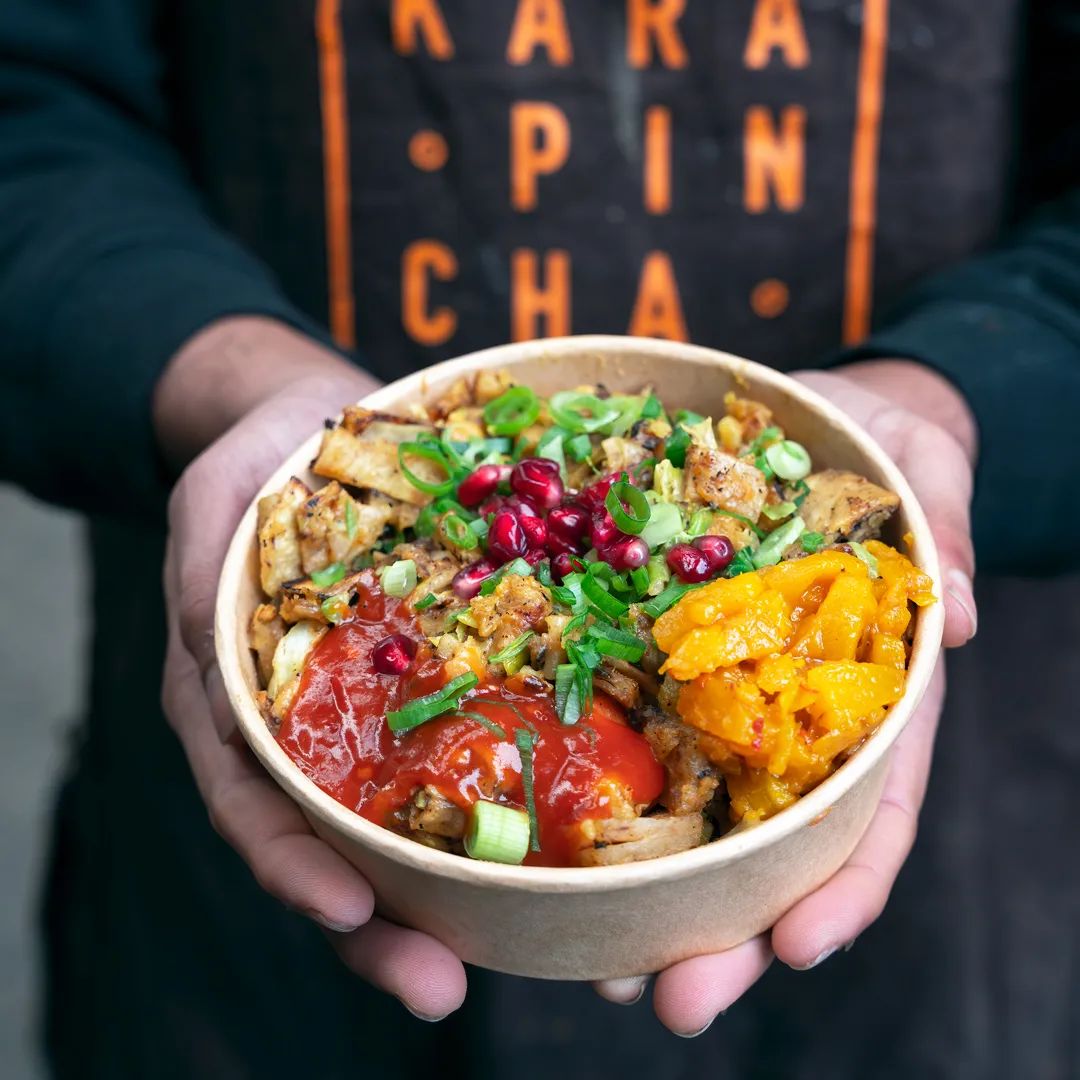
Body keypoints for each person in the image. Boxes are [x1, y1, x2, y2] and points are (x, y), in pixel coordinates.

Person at [1, 1, 1076, 1076]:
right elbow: (29, 106)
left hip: (927, 895)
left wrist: (957, 392)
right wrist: (219, 371)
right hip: (254, 930)